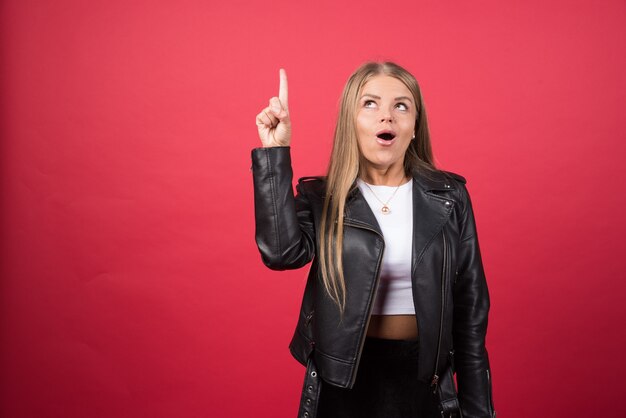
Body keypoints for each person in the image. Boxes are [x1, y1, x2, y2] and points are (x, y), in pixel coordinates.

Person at [252, 62, 495, 418]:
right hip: (342, 386)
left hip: (422, 383)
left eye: (401, 105)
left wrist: (479, 411)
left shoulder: (449, 197)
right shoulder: (323, 197)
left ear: (414, 127)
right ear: (352, 122)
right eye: (370, 104)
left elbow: (471, 311)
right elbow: (281, 253)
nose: (387, 117)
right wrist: (275, 154)